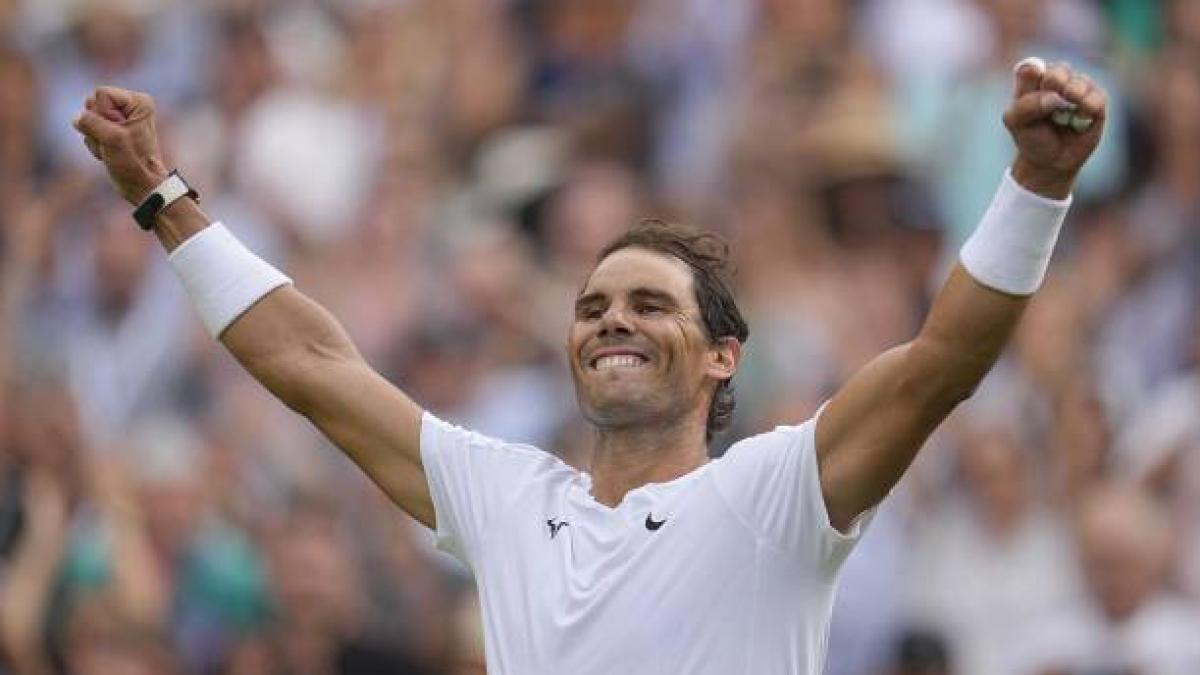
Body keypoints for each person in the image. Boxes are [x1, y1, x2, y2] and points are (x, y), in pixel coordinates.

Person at [70, 56, 1107, 674]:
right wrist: (163, 197)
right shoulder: (508, 497)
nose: (612, 322)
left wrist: (1036, 186)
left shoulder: (777, 492)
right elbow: (308, 361)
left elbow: (942, 363)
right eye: (592, 306)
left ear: (721, 357)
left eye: (650, 304)